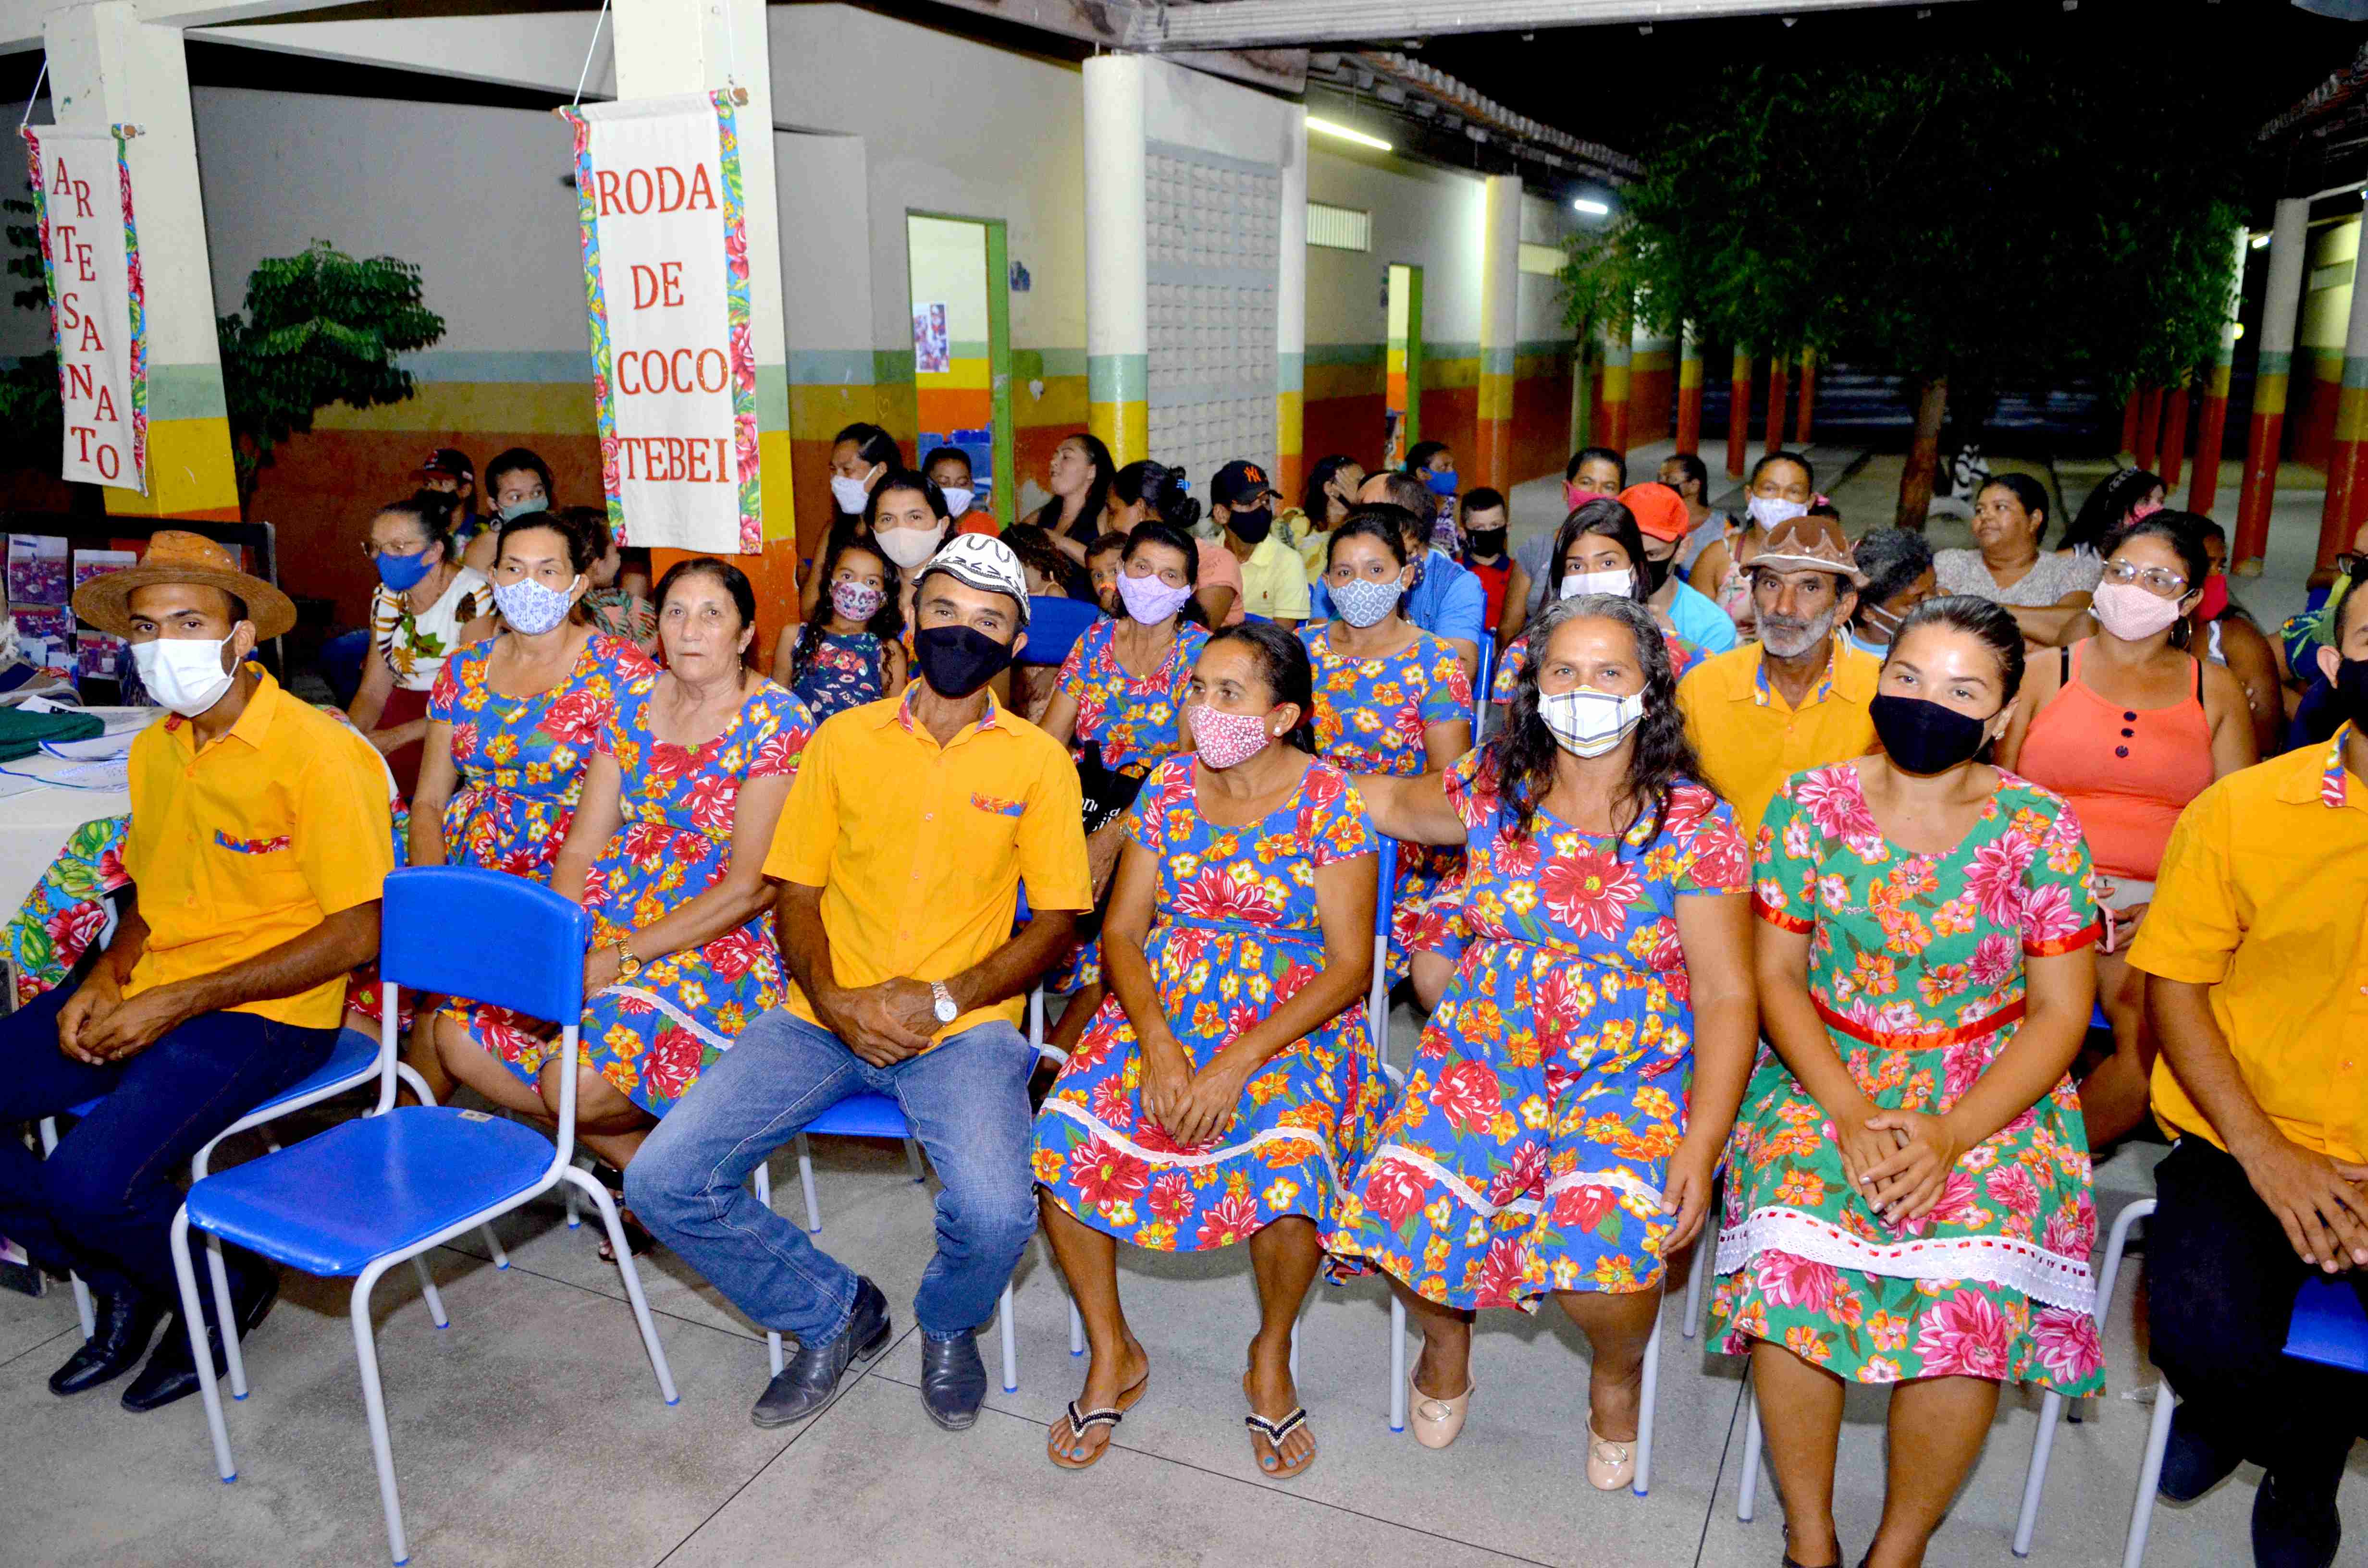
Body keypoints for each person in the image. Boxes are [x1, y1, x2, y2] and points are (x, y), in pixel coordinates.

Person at [628, 534, 1090, 1433]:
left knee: (999, 1212)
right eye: (946, 610)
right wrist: (840, 1000)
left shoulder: (1036, 762)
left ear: (1015, 639)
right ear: (911, 615)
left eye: (989, 621)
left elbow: (1055, 923)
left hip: (962, 1027)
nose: (964, 632)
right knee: (663, 1178)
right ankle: (833, 1309)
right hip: (819, 1015)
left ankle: (950, 1323)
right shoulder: (839, 738)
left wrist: (944, 998)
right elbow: (793, 888)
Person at [1712, 595, 2104, 1568]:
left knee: (1962, 1289)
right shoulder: (1810, 807)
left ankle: (1898, 1549)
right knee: (1791, 1269)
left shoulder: (2038, 828)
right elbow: (1776, 977)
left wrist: (1951, 1133)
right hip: (1825, 1065)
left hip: (1988, 1084)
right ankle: (1811, 1540)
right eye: (1906, 679)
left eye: (1962, 690)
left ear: (2003, 716)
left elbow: (2059, 1014)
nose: (1927, 702)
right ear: (1877, 685)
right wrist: (1846, 1113)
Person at [1326, 593, 1755, 1476]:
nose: (1582, 691)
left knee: (1606, 1238)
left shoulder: (1693, 823)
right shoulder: (1492, 789)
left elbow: (1722, 993)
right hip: (1486, 1049)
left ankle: (1614, 1373)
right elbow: (1388, 804)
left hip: (1629, 1067)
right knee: (1411, 1199)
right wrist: (1251, 769)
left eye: (1608, 672)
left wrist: (1703, 1140)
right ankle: (1446, 1345)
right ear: (1533, 684)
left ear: (1649, 690)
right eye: (1562, 670)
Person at [12, 532, 392, 1412]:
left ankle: (219, 1288)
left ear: (242, 633)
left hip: (271, 1008)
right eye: (147, 628)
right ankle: (128, 1275)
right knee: (74, 1181)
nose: (162, 646)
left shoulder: (316, 753)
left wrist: (180, 999)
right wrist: (109, 974)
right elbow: (150, 891)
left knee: (89, 1179)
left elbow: (358, 932)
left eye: (189, 621)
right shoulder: (157, 749)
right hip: (156, 981)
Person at [1035, 623, 1385, 1476]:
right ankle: (1112, 1347)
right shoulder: (1163, 785)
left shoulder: (1329, 798)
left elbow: (1348, 966)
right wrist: (1156, 1043)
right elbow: (1121, 929)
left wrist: (1234, 1062)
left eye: (1229, 693)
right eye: (1197, 687)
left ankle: (1270, 1351)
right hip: (1164, 999)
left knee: (1289, 1162)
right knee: (1062, 1138)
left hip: (1289, 1017)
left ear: (1282, 715)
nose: (1202, 708)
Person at [2127, 562, 2368, 1568]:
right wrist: (2267, 1157)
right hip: (2243, 1137)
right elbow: (2174, 991)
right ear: (2332, 660)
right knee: (2200, 1338)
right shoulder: (2241, 812)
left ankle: (2296, 1459)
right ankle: (2269, 1439)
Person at [437, 561, 809, 1203]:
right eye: (675, 613)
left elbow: (752, 886)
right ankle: (658, 1180)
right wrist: (559, 944)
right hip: (611, 920)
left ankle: (660, 1181)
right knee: (460, 1036)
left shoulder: (777, 722)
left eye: (712, 615)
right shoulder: (632, 705)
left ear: (747, 635)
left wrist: (621, 957)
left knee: (569, 1084)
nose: (690, 631)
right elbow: (583, 842)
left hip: (719, 944)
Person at [2001, 510, 2256, 1152]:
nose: (2135, 588)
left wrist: (2174, 905)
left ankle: (2035, 1168)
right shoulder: (2042, 673)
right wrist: (2049, 892)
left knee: (2159, 1043)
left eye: (2160, 578)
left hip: (2153, 912)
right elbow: (1993, 806)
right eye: (2121, 572)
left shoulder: (2215, 691)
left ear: (2191, 599)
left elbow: (2236, 830)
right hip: (2036, 898)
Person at [417, 510, 659, 1094]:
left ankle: (421, 1139)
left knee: (444, 1019)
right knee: (431, 1001)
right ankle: (420, 1144)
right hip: (469, 868)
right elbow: (428, 800)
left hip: (574, 874)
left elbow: (635, 805)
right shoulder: (463, 671)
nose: (529, 585)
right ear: (493, 579)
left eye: (548, 571)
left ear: (579, 583)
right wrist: (434, 893)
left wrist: (553, 917)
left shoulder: (621, 672)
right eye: (514, 569)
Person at [1038, 519, 1211, 1059]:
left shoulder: (1199, 655)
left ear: (1187, 592)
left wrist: (1114, 838)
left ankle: (1054, 1059)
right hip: (1081, 799)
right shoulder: (1094, 641)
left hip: (1158, 812)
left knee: (1126, 897)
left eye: (1169, 575)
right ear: (1119, 573)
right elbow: (1048, 743)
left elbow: (1187, 770)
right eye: (1140, 568)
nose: (1151, 584)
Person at [1303, 508, 1473, 998]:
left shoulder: (1433, 661)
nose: (1359, 583)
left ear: (1405, 576)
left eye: (1375, 570)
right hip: (1304, 831)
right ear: (1327, 582)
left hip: (1398, 845)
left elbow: (1448, 784)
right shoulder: (1300, 651)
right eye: (1344, 572)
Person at [1676, 511, 1878, 842]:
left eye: (1809, 587)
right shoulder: (1703, 687)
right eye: (1772, 584)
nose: (1783, 607)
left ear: (1843, 608)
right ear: (1753, 595)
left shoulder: (1881, 694)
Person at [1492, 497, 1711, 705]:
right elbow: (1520, 738)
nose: (1591, 577)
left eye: (1607, 563)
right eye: (1576, 566)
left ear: (1634, 570)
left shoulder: (1680, 655)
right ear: (1561, 576)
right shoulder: (1522, 655)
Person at [348, 492, 490, 796]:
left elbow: (471, 699)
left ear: (433, 551)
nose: (385, 558)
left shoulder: (472, 596)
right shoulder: (385, 596)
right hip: (399, 709)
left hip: (450, 719)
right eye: (376, 547)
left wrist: (393, 739)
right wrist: (350, 736)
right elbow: (373, 691)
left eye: (398, 547)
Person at [1313, 470, 1486, 677]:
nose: (1356, 521)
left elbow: (1459, 674)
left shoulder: (1455, 583)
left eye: (1370, 512)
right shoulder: (1338, 578)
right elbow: (1318, 662)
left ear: (1406, 520)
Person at [1931, 474, 2100, 645]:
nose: (1986, 516)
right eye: (1979, 510)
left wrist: (1973, 610)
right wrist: (2035, 637)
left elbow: (2076, 627)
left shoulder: (2073, 570)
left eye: (2000, 507)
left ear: (2034, 520)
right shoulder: (1951, 562)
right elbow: (1937, 624)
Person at [774, 533, 906, 721]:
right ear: (829, 584)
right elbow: (777, 705)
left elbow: (896, 720)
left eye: (871, 582)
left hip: (859, 748)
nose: (858, 588)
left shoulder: (888, 651)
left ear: (884, 598)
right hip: (804, 747)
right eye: (847, 576)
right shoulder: (794, 636)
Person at [1689, 450, 1817, 642]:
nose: (1780, 500)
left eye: (1793, 491)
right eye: (1770, 489)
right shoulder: (1719, 556)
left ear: (1809, 502)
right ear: (1750, 495)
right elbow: (1694, 632)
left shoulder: (1821, 560)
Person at [2189, 519, 2284, 758]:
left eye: (2220, 566)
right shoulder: (2135, 633)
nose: (2216, 577)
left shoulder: (2238, 639)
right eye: (2206, 565)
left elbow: (2264, 745)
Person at [1102, 459, 1232, 625]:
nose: (1111, 524)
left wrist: (1113, 605)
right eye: (1143, 568)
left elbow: (1195, 637)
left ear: (1140, 509)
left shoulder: (1215, 562)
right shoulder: (1126, 562)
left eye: (1113, 512)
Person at [1512, 446, 1627, 635]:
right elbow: (1510, 627)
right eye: (1586, 483)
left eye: (1608, 487)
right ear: (1567, 490)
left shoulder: (1627, 552)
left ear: (1621, 498)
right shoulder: (1536, 549)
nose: (1595, 494)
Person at [799, 425, 907, 619]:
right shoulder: (834, 531)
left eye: (848, 470)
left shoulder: (903, 532)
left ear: (880, 470)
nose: (837, 480)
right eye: (834, 470)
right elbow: (809, 607)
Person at [1621, 480, 1739, 658]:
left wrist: (1677, 652)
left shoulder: (1712, 627)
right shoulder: (1589, 601)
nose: (1639, 565)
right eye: (1629, 553)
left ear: (1682, 550)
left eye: (1652, 555)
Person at [1209, 459, 1309, 628]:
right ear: (1221, 514)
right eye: (1249, 504)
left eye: (1266, 502)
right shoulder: (1204, 558)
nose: (1262, 511)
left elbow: (1281, 641)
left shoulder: (1287, 562)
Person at [573, 506, 657, 655]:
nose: (620, 558)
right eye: (616, 552)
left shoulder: (564, 611)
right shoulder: (620, 605)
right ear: (596, 565)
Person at [1847, 528, 1936, 661]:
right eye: (1917, 600)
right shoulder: (1837, 656)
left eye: (1934, 588)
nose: (1933, 603)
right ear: (1868, 612)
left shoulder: (1937, 647)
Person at [1031, 431, 1117, 565]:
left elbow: (1114, 566)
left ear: (1091, 472)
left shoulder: (1106, 516)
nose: (1053, 462)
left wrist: (1061, 542)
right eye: (1055, 456)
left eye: (1066, 457)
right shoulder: (1041, 516)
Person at [2060, 465, 2166, 562]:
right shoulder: (2077, 559)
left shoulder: (2164, 555)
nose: (2157, 508)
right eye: (2145, 501)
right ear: (2119, 506)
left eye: (2161, 501)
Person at [416, 446, 495, 572]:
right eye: (428, 484)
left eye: (443, 484)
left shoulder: (485, 533)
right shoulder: (418, 532)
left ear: (465, 490)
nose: (432, 490)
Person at [1288, 453, 1365, 579]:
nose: (1364, 487)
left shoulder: (1361, 528)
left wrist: (1359, 506)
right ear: (1330, 488)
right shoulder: (1297, 523)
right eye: (1358, 482)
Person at [1659, 450, 1733, 577]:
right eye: (1660, 478)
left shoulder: (1723, 525)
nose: (1662, 483)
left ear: (1694, 486)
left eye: (1670, 479)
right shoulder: (1655, 520)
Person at [1458, 487, 1517, 632]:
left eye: (1495, 525)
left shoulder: (1519, 574)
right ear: (1463, 533)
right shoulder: (1453, 573)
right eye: (1479, 528)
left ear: (1507, 527)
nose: (1488, 532)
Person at [923, 445, 999, 537]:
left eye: (962, 483)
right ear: (926, 485)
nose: (953, 489)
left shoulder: (984, 526)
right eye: (943, 483)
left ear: (972, 486)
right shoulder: (917, 524)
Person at [1404, 438, 1460, 551]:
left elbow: (1460, 550)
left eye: (1452, 466)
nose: (1452, 472)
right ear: (1422, 473)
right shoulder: (1404, 505)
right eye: (1445, 467)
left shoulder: (1454, 504)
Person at [484, 447, 555, 526]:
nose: (530, 505)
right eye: (516, 497)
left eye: (537, 493)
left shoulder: (560, 534)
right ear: (494, 504)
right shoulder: (490, 538)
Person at [1083, 531, 1129, 617]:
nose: (1106, 581)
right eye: (1098, 575)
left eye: (1115, 571)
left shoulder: (1141, 605)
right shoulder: (1097, 611)